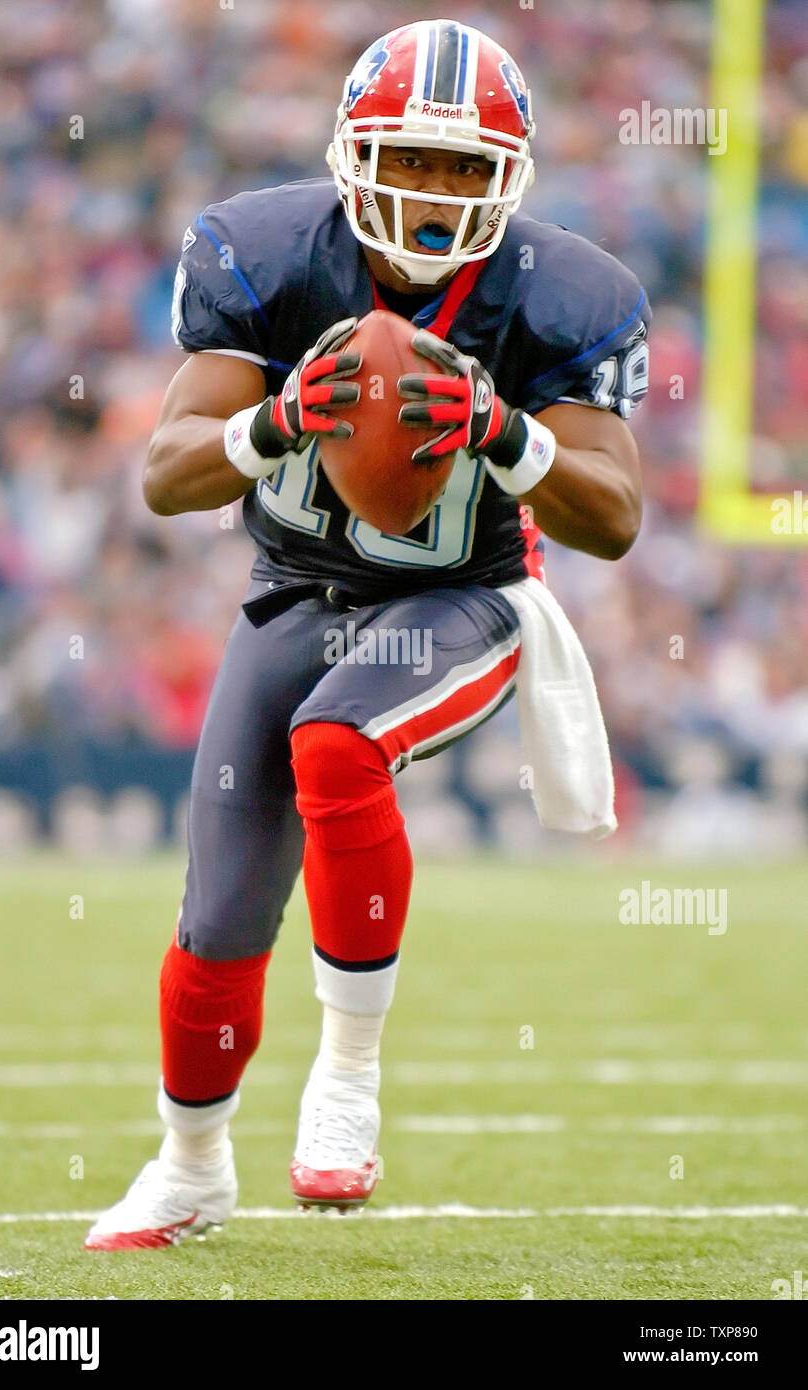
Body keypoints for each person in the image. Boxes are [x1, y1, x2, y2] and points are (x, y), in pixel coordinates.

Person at [85, 18, 649, 1249]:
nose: (436, 191)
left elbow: (610, 518)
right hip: (295, 593)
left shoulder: (561, 292)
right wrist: (275, 420)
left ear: (508, 177)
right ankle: (190, 1166)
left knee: (336, 746)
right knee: (220, 916)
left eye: (463, 166)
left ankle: (345, 1077)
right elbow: (168, 475)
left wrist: (507, 433)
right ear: (350, 154)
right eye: (411, 156)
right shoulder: (266, 252)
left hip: (467, 599)